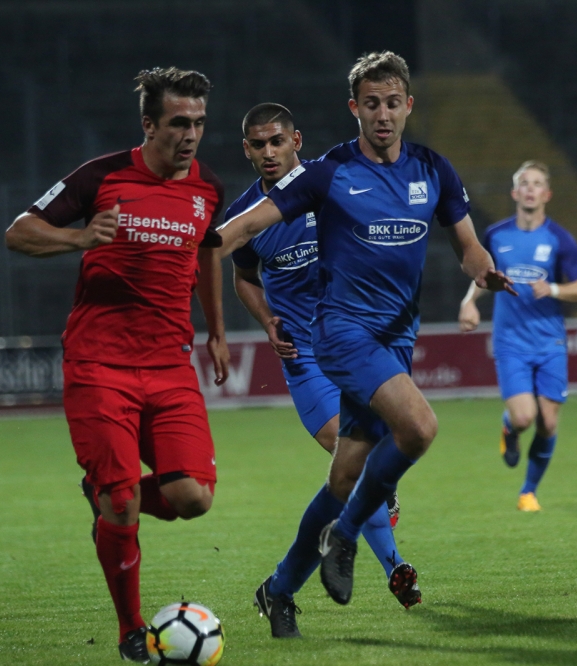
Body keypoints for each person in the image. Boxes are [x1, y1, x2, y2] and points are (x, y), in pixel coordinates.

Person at [218, 51, 515, 624]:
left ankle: (279, 589)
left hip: (392, 340)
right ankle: (357, 541)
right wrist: (199, 246)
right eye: (371, 103)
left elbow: (468, 246)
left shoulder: (433, 170)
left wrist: (483, 270)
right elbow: (244, 238)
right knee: (418, 427)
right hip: (330, 339)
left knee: (345, 477)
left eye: (392, 103)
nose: (383, 114)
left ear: (409, 106)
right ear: (354, 108)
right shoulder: (328, 175)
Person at [5, 67, 229, 663]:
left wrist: (216, 331)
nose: (190, 135)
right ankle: (132, 629)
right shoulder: (101, 177)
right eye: (178, 123)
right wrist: (78, 240)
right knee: (124, 501)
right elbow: (19, 233)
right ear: (149, 125)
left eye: (199, 123)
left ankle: (105, 497)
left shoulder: (208, 188)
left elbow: (209, 252)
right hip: (99, 364)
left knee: (194, 498)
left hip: (170, 366)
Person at [224, 103, 413, 638]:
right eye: (258, 144)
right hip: (304, 357)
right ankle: (394, 566)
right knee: (351, 462)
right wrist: (266, 319)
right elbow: (244, 277)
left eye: (277, 141)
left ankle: (279, 588)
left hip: (354, 345)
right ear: (246, 149)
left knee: (363, 466)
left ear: (296, 141)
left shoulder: (334, 184)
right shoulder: (245, 217)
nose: (269, 152)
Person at [458, 160, 577, 512]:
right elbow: (484, 277)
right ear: (515, 193)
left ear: (546, 194)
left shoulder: (559, 238)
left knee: (548, 423)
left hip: (550, 343)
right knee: (523, 418)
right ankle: (509, 428)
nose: (531, 189)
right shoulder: (497, 235)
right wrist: (469, 302)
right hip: (511, 342)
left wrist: (555, 290)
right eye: (525, 183)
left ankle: (528, 493)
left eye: (537, 184)